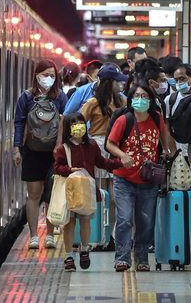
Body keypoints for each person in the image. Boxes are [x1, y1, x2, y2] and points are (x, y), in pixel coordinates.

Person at [105, 83, 176, 272]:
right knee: (125, 219)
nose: (141, 99)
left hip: (148, 180)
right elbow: (110, 144)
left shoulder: (156, 117)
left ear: (151, 100)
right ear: (130, 99)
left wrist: (167, 150)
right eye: (136, 96)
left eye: (145, 96)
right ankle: (121, 258)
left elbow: (163, 135)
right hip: (124, 179)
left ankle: (142, 258)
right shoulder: (124, 120)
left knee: (146, 222)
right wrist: (122, 155)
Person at [53, 113, 130, 272]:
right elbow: (57, 167)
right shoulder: (64, 148)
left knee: (85, 223)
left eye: (80, 123)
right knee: (69, 223)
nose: (78, 126)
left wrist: (119, 163)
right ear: (68, 128)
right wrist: (69, 170)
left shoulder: (92, 146)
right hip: (70, 193)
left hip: (87, 192)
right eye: (73, 124)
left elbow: (101, 162)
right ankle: (69, 256)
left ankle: (85, 249)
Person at [13, 59, 68, 250]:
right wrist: (17, 149)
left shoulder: (60, 97)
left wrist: (61, 147)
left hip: (54, 154)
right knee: (33, 194)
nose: (48, 79)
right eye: (45, 75)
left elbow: (66, 122)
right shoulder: (26, 98)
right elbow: (19, 123)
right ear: (36, 75)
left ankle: (50, 235)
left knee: (51, 195)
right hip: (32, 151)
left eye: (52, 75)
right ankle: (34, 236)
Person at [80, 64, 128, 193]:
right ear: (110, 82)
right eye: (118, 81)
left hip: (118, 145)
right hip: (98, 145)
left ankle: (112, 214)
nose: (121, 84)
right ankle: (100, 213)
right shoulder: (93, 103)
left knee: (115, 188)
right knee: (98, 188)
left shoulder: (123, 101)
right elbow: (79, 123)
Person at [166, 62, 191, 160]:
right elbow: (166, 127)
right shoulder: (170, 99)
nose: (179, 83)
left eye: (182, 79)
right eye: (176, 80)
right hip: (178, 151)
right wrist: (173, 150)